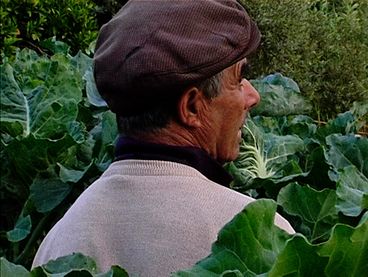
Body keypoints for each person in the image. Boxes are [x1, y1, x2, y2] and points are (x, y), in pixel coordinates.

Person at [32, 0, 294, 276]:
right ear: (192, 107)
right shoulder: (265, 243)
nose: (253, 96)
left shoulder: (58, 244)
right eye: (239, 78)